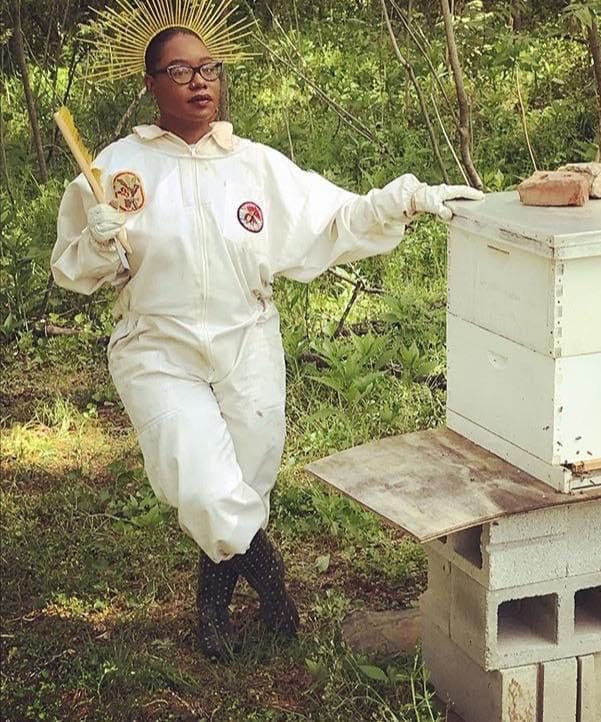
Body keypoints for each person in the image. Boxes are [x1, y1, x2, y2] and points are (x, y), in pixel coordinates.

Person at [52, 25, 483, 660]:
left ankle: (215, 612)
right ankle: (273, 581)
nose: (199, 81)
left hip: (247, 341)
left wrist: (408, 199)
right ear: (150, 84)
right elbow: (76, 271)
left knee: (245, 486)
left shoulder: (254, 164)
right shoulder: (116, 168)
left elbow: (336, 217)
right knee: (202, 487)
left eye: (209, 68)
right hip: (156, 347)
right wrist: (97, 237)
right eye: (180, 71)